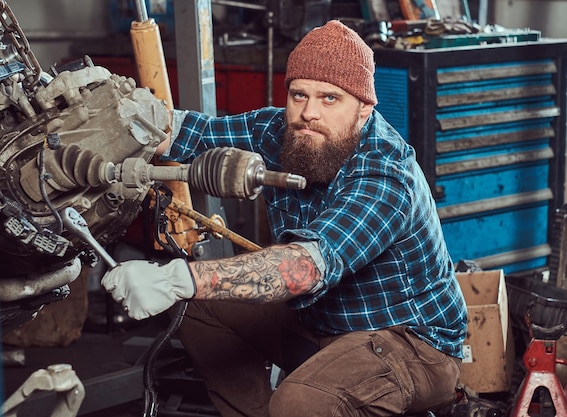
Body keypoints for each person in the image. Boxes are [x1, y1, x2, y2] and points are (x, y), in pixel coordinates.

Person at [102, 20, 468, 417]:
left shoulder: (385, 174)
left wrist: (175, 278)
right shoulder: (279, 131)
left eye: (330, 99)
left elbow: (307, 267)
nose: (308, 113)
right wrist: (118, 117)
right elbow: (194, 132)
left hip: (411, 344)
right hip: (323, 322)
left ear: (363, 108)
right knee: (198, 306)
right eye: (299, 95)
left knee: (299, 403)